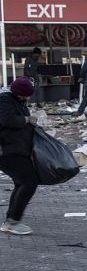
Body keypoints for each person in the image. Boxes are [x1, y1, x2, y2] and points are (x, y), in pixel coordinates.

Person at [0, 78, 41, 236]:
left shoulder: (16, 100)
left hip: (15, 149)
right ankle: (12, 222)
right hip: (6, 150)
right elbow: (7, 120)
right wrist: (26, 119)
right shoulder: (4, 101)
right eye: (25, 95)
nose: (27, 99)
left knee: (21, 182)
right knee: (29, 181)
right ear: (18, 92)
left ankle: (11, 219)